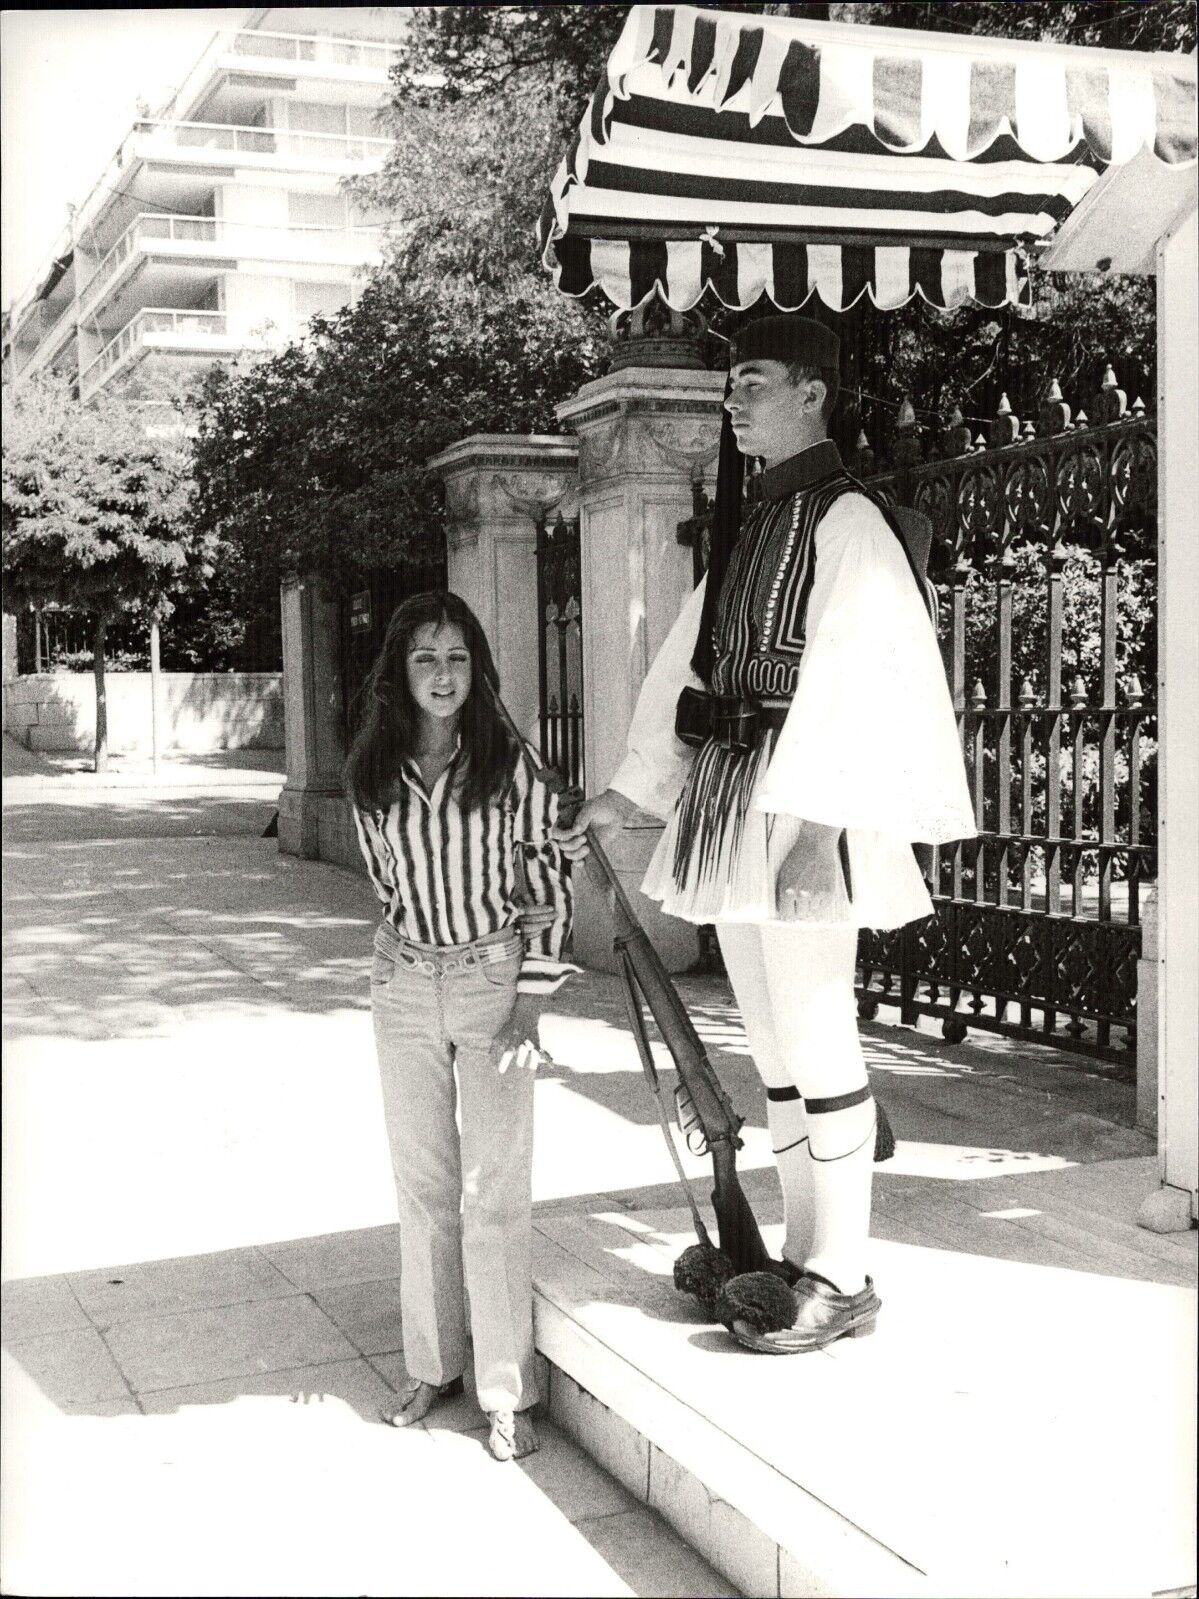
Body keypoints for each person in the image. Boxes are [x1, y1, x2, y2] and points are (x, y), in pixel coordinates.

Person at [554, 315, 976, 1353]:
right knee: (776, 1044)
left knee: (819, 1030)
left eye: (750, 383)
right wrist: (629, 790)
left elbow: (867, 682)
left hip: (799, 812)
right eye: (732, 385)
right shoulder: (757, 526)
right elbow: (686, 671)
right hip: (731, 803)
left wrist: (811, 831)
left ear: (811, 396)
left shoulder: (849, 525)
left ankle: (844, 1270)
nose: (732, 403)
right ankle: (795, 1252)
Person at [345, 591, 576, 1456]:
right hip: (402, 981)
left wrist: (527, 1003)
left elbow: (550, 890)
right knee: (424, 1186)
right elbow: (387, 883)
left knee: (493, 1190)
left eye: (456, 659)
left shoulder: (509, 765)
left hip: (491, 983)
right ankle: (432, 1364)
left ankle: (504, 1388)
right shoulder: (372, 770)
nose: (442, 676)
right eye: (425, 659)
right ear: (399, 673)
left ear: (475, 669)